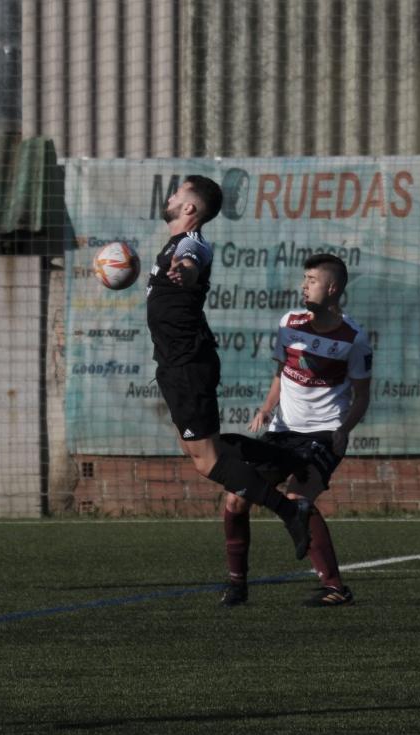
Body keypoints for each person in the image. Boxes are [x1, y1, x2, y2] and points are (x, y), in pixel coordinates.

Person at [146, 175, 313, 557]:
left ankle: (290, 511)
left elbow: (191, 261)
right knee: (201, 447)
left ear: (189, 207)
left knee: (207, 461)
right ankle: (285, 458)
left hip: (187, 363)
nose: (170, 197)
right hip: (177, 362)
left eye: (177, 192)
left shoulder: (190, 243)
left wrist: (186, 270)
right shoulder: (174, 243)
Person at [220, 253, 372, 607]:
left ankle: (336, 588)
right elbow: (281, 374)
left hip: (324, 434)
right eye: (304, 279)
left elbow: (362, 395)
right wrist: (266, 409)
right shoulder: (288, 323)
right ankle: (237, 585)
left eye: (312, 280)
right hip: (282, 433)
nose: (304, 286)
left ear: (332, 288)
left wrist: (344, 429)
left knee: (297, 500)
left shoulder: (354, 338)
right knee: (236, 497)